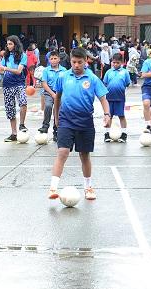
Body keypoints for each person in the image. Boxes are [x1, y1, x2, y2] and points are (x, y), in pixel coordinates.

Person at [48, 47, 111, 201]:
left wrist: (107, 114)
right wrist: (56, 117)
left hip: (85, 122)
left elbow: (103, 98)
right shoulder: (63, 76)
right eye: (74, 62)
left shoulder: (92, 79)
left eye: (79, 62)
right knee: (62, 152)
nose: (76, 65)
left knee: (84, 155)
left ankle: (88, 187)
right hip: (66, 121)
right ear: (70, 61)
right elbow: (57, 97)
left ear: (85, 61)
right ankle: (53, 188)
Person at [0, 35, 28, 142]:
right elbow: (1, 70)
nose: (8, 46)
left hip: (19, 83)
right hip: (7, 84)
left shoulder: (22, 55)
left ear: (16, 44)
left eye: (10, 43)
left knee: (23, 103)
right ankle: (14, 134)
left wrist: (5, 68)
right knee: (10, 110)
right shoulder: (5, 56)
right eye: (7, 44)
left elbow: (19, 71)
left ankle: (22, 124)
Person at [103, 53, 131, 143]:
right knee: (109, 116)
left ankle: (124, 134)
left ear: (122, 63)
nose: (115, 64)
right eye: (114, 62)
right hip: (109, 98)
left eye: (117, 63)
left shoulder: (125, 72)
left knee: (121, 116)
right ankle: (107, 134)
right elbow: (105, 83)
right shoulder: (108, 72)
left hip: (120, 97)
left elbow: (127, 83)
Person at [38, 50, 64, 142]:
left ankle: (56, 130)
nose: (53, 60)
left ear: (59, 59)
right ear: (49, 60)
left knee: (58, 110)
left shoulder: (64, 70)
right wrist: (52, 94)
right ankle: (45, 126)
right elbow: (44, 83)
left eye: (55, 58)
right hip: (49, 92)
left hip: (60, 93)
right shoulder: (46, 70)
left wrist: (58, 94)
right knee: (48, 106)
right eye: (51, 59)